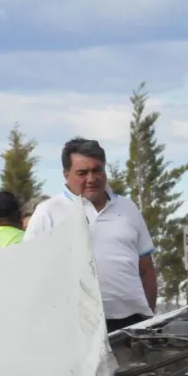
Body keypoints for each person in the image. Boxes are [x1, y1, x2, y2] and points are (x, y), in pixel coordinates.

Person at [24, 138, 158, 332]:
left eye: (97, 170)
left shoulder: (128, 208)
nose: (92, 178)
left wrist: (149, 317)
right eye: (82, 173)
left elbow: (146, 268)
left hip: (131, 325)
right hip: (73, 328)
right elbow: (30, 272)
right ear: (66, 175)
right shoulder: (48, 212)